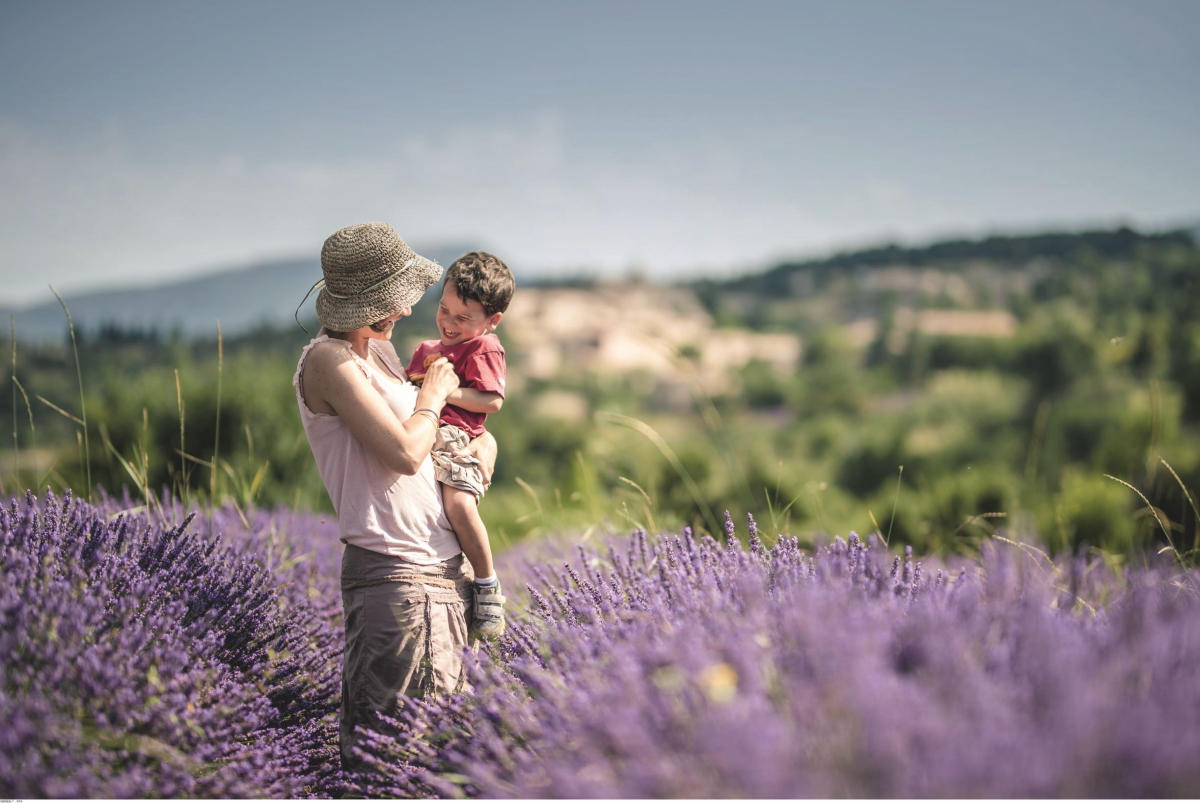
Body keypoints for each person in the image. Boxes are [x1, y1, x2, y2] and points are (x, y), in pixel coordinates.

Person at [291, 222, 498, 771]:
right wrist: (433, 395)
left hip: (441, 574)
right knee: (395, 759)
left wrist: (483, 446)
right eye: (394, 300)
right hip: (397, 577)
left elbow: (432, 442)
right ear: (362, 300)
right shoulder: (328, 360)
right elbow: (405, 452)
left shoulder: (378, 353)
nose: (406, 311)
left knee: (441, 756)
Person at [406, 252, 514, 637]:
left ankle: (486, 583)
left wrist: (443, 392)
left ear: (492, 320)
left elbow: (492, 401)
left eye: (463, 318)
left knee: (459, 506)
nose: (449, 324)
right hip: (423, 430)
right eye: (444, 310)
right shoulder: (424, 350)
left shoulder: (483, 348)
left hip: (457, 439)